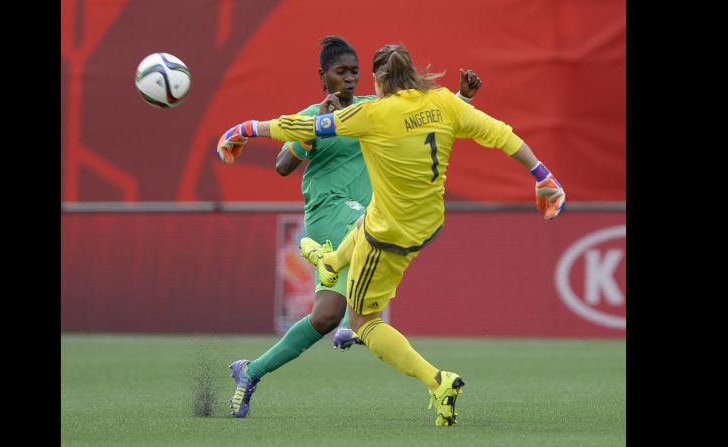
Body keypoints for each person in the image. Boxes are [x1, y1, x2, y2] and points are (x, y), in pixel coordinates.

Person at [217, 43, 561, 427]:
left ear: (373, 78)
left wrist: (461, 100)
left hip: (374, 220)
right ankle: (342, 287)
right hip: (332, 212)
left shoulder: (372, 109)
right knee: (366, 241)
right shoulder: (324, 113)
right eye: (340, 72)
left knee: (326, 317)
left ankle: (253, 369)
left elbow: (429, 120)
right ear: (323, 77)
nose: (348, 78)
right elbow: (283, 164)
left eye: (354, 71)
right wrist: (312, 127)